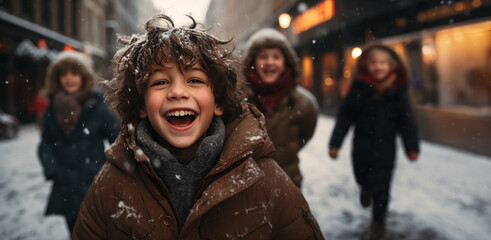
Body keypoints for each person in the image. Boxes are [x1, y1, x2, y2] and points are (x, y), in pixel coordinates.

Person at [72, 14, 324, 239]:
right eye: (160, 82)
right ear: (140, 105)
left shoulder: (265, 179)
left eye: (194, 80)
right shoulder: (111, 184)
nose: (178, 92)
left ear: (218, 102)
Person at [328, 45, 420, 239]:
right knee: (361, 174)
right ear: (367, 66)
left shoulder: (398, 93)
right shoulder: (358, 89)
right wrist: (335, 143)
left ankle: (378, 221)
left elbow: (407, 122)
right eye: (374, 63)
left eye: (383, 63)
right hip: (361, 146)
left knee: (383, 185)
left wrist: (411, 147)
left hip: (386, 148)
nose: (378, 67)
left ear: (392, 66)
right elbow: (345, 118)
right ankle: (365, 187)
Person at [37, 51, 120, 234]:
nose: (69, 78)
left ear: (83, 77)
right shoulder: (52, 107)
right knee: (74, 231)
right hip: (65, 184)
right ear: (57, 78)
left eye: (74, 73)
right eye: (64, 74)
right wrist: (53, 170)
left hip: (93, 182)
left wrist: (115, 171)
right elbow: (45, 143)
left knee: (97, 231)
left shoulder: (98, 106)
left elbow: (118, 140)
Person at [243, 28, 318, 188]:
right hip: (247, 185)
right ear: (252, 62)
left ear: (286, 62)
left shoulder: (302, 102)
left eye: (276, 57)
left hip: (288, 182)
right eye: (263, 56)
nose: (270, 62)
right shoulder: (239, 100)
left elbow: (306, 133)